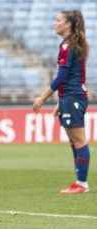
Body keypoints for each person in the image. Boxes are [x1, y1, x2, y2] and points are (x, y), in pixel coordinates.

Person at [33, 10, 90, 194]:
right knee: (74, 141)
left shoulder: (69, 46)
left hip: (73, 97)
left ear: (68, 24)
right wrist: (60, 101)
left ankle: (82, 184)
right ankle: (79, 182)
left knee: (79, 141)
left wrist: (43, 97)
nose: (54, 23)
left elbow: (62, 77)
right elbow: (74, 75)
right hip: (70, 97)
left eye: (58, 20)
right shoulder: (71, 44)